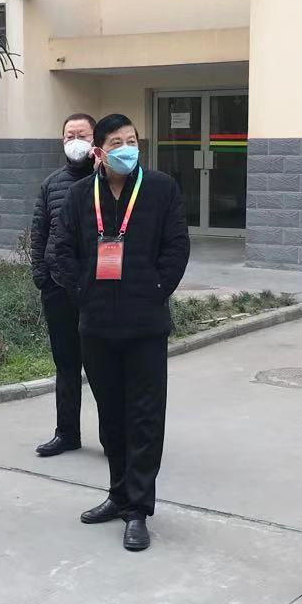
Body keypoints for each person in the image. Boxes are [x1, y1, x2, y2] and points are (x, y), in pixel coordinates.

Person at [48, 113, 190, 552]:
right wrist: (82, 293)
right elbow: (60, 250)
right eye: (116, 142)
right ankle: (117, 493)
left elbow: (177, 248)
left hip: (145, 325)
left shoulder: (161, 189)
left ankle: (138, 509)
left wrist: (157, 290)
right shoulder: (79, 196)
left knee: (144, 417)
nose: (126, 148)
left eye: (132, 140)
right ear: (99, 151)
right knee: (110, 416)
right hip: (97, 325)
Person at [30, 112, 97, 458]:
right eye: (70, 135)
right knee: (66, 364)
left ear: (95, 140)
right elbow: (39, 232)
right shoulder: (52, 184)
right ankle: (66, 432)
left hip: (98, 290)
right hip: (57, 288)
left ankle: (114, 435)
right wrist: (41, 275)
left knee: (101, 366)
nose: (76, 141)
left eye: (82, 135)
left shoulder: (108, 181)